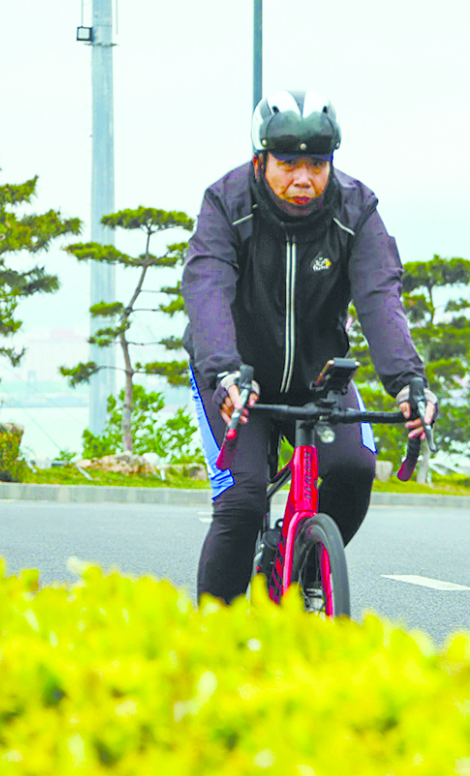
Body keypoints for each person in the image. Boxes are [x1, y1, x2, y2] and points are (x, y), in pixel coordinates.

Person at [182, 89, 436, 604]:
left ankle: (309, 576)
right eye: (288, 163)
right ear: (261, 160)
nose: (303, 179)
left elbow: (379, 296)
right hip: (237, 377)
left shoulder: (357, 210)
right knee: (244, 499)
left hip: (317, 378)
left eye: (317, 164)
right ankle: (213, 636)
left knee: (353, 470)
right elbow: (206, 288)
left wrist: (408, 382)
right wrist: (224, 371)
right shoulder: (225, 204)